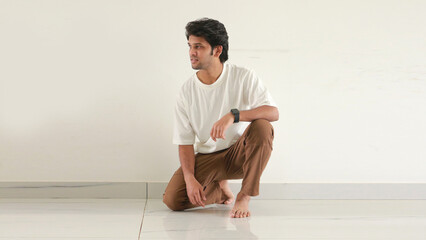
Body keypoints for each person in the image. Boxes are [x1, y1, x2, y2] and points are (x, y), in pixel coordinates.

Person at [163, 17, 279, 218]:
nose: (191, 52)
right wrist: (190, 179)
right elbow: (185, 143)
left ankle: (244, 195)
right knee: (173, 200)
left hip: (240, 155)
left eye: (198, 46)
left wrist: (234, 115)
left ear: (217, 51)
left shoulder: (243, 76)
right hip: (208, 157)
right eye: (190, 46)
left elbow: (273, 112)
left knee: (262, 126)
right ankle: (218, 190)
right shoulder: (186, 92)